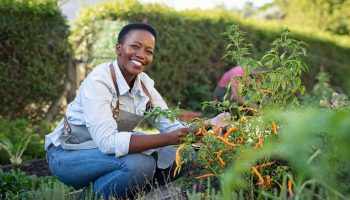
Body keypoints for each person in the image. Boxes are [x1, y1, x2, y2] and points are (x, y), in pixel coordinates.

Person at [45, 23, 203, 199]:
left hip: (107, 154)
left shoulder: (145, 85)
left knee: (186, 154)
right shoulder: (99, 81)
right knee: (140, 165)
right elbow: (107, 141)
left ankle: (122, 193)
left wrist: (208, 127)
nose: (141, 55)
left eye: (148, 51)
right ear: (119, 49)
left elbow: (171, 126)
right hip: (68, 155)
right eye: (135, 46)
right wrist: (168, 139)